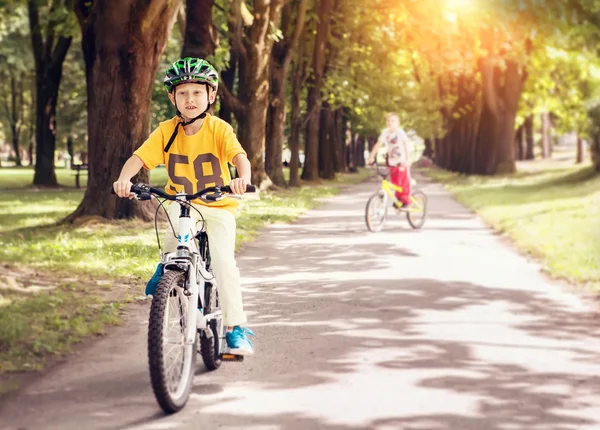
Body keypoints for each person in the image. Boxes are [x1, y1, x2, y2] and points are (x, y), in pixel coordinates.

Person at [112, 57, 254, 355]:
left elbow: (239, 156)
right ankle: (167, 267)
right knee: (175, 230)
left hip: (218, 205)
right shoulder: (166, 130)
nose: (190, 99)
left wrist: (244, 177)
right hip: (182, 202)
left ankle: (235, 328)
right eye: (183, 93)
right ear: (172, 97)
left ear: (211, 95)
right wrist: (124, 178)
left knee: (225, 263)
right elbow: (139, 158)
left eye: (197, 93)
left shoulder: (219, 129)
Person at [367, 112, 412, 208]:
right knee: (395, 183)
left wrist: (407, 159)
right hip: (392, 163)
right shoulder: (385, 133)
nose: (390, 122)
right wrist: (371, 157)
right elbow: (378, 145)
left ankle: (405, 200)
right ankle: (398, 199)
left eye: (392, 121)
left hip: (401, 162)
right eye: (388, 121)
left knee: (403, 183)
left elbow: (405, 145)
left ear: (398, 123)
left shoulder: (400, 132)